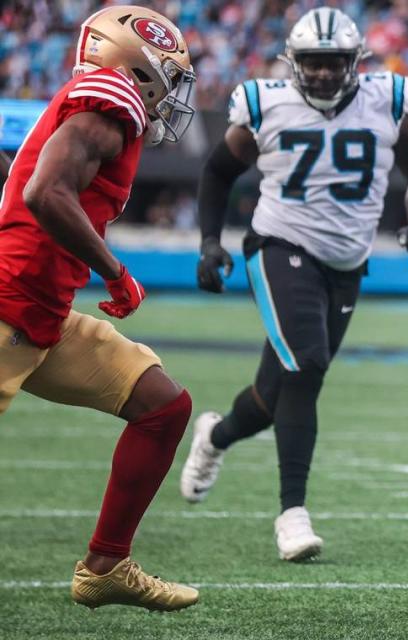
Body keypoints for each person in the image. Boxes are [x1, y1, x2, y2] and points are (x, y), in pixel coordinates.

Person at [180, 6, 408, 562]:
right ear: (292, 63)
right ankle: (292, 515)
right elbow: (216, 172)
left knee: (276, 393)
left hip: (346, 263)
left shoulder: (389, 99)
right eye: (313, 63)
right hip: (279, 244)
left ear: (355, 63)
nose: (322, 73)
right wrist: (209, 241)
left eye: (333, 62)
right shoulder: (264, 101)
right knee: (306, 366)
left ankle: (216, 436)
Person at [0, 6, 198, 611]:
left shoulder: (98, 100)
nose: (169, 95)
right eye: (165, 78)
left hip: (42, 314)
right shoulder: (114, 97)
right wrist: (116, 272)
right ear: (135, 67)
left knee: (162, 405)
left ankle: (106, 565)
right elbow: (45, 193)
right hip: (9, 305)